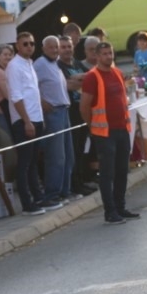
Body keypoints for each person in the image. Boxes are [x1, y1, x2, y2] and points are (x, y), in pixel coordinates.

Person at [80, 41, 139, 225]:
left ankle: (120, 207)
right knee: (107, 173)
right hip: (104, 133)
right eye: (104, 54)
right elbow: (84, 106)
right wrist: (92, 126)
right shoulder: (92, 77)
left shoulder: (117, 73)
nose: (108, 56)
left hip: (122, 129)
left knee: (122, 170)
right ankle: (110, 211)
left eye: (110, 53)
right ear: (97, 56)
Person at [7, 31, 52, 215]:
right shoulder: (14, 66)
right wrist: (26, 121)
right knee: (25, 162)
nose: (29, 47)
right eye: (25, 44)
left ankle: (38, 197)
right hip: (24, 120)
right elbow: (16, 96)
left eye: (32, 44)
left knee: (34, 160)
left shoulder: (29, 64)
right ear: (18, 46)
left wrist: (40, 118)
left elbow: (33, 93)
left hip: (36, 117)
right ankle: (27, 203)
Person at [34, 35, 75, 207]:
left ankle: (65, 190)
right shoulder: (39, 64)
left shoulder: (56, 63)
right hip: (52, 113)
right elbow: (32, 87)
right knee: (56, 156)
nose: (55, 50)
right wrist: (42, 102)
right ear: (44, 49)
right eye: (51, 47)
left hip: (64, 110)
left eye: (56, 47)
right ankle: (52, 193)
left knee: (68, 155)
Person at [58, 35, 91, 196]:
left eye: (69, 46)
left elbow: (91, 79)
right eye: (63, 47)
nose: (67, 50)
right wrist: (78, 81)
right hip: (70, 113)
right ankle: (74, 184)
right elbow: (67, 85)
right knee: (72, 150)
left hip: (83, 111)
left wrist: (78, 79)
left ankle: (82, 181)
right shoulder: (58, 66)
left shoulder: (77, 63)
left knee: (81, 149)